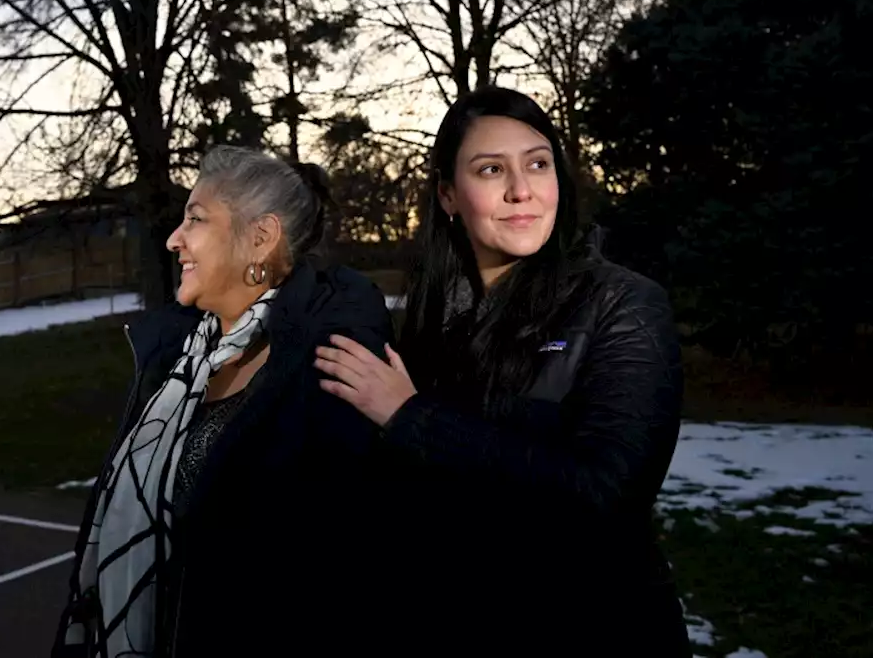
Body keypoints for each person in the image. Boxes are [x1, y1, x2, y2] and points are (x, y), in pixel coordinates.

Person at [314, 86, 691, 657]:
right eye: (491, 169)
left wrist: (411, 416)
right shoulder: (432, 319)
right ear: (447, 194)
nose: (522, 191)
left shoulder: (622, 304)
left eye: (538, 164)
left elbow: (606, 497)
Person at [53, 146, 394, 658]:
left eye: (195, 219)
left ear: (259, 238)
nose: (174, 240)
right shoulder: (176, 362)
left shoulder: (325, 373)